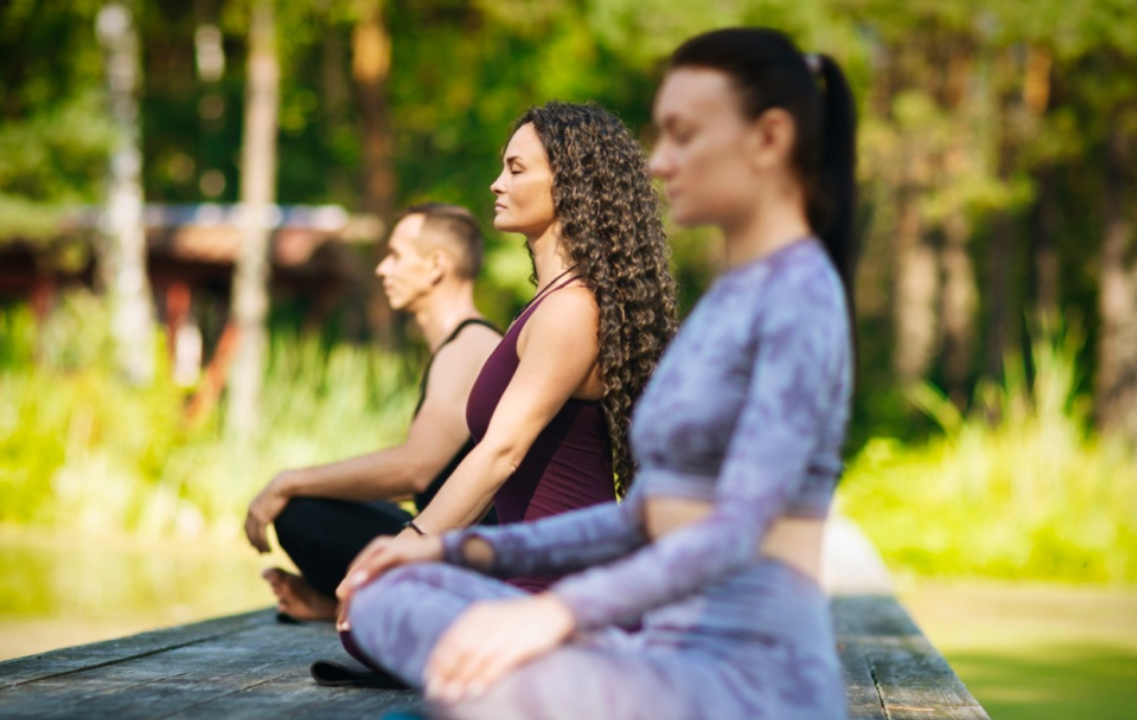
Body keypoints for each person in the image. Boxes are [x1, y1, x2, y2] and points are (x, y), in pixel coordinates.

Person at [338, 26, 860, 720]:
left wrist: (555, 613)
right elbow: (641, 519)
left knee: (449, 669)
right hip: (658, 658)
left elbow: (736, 530)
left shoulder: (800, 298)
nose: (659, 162)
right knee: (389, 596)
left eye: (683, 136)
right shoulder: (731, 300)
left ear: (768, 139)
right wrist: (455, 551)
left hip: (746, 684)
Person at [333, 100, 678, 606]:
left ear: (570, 184)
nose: (497, 184)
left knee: (376, 609)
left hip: (564, 586)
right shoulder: (550, 304)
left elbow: (501, 454)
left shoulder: (571, 310)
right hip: (524, 571)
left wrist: (406, 547)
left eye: (516, 170)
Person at [245, 202, 502, 622]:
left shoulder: (470, 346)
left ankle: (348, 605)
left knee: (300, 513)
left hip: (478, 561)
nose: (383, 269)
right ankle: (344, 603)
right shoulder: (460, 347)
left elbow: (415, 470)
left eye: (396, 255)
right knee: (319, 503)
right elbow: (431, 479)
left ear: (436, 266)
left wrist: (288, 482)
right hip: (449, 546)